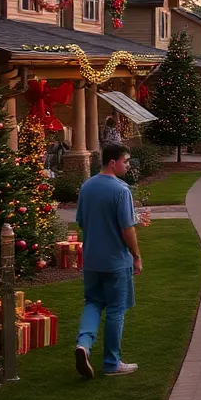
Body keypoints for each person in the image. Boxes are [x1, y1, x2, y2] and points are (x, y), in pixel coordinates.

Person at [74, 143, 141, 379]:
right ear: (113, 163)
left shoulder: (86, 186)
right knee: (115, 309)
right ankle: (112, 362)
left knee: (92, 302)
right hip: (115, 260)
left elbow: (81, 221)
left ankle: (83, 344)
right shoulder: (121, 190)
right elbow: (127, 228)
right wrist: (136, 255)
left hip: (91, 258)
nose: (128, 165)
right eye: (126, 161)